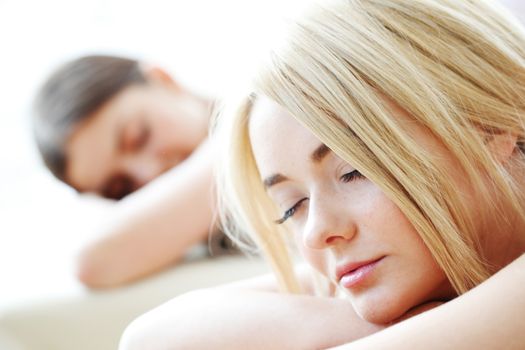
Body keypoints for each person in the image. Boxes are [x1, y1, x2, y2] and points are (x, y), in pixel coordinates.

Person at [119, 0, 525, 348]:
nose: (315, 232)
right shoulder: (385, 265)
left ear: (488, 127)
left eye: (352, 172)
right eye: (291, 207)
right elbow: (148, 338)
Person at [32, 55, 230, 288]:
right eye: (120, 188)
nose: (148, 173)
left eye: (138, 136)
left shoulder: (262, 109)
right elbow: (95, 263)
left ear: (162, 80)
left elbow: (93, 263)